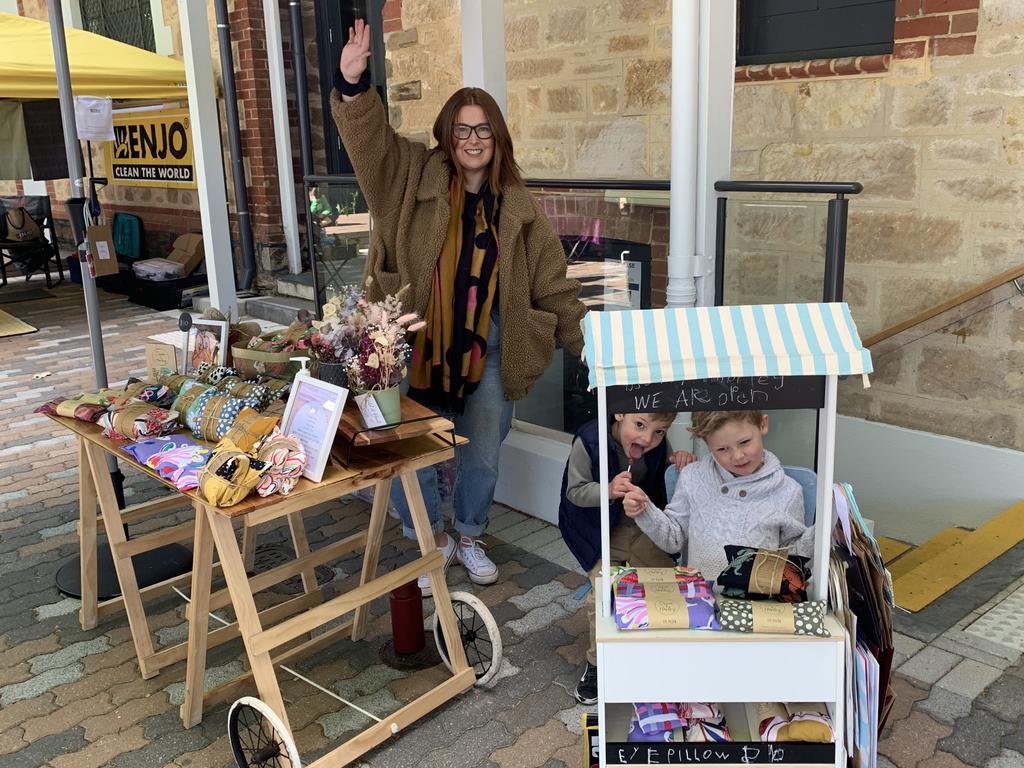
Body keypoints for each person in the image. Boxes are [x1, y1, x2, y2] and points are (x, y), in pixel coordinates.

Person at [332, 20, 586, 593]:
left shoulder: (518, 206)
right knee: (405, 447)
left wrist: (591, 346)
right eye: (463, 129)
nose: (473, 140)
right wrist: (353, 85)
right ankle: (431, 540)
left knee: (483, 455)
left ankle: (469, 534)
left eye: (485, 131)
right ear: (447, 134)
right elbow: (370, 143)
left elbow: (553, 284)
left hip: (489, 348)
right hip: (409, 343)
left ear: (498, 139)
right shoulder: (411, 176)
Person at [558, 412, 696, 705]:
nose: (647, 439)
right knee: (602, 598)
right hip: (600, 532)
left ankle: (659, 656)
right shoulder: (590, 440)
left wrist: (675, 459)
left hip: (645, 528)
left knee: (665, 588)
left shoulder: (656, 444)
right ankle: (598, 664)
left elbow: (660, 468)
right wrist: (607, 490)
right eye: (640, 426)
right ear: (619, 414)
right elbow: (574, 491)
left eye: (659, 432)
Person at [623, 409, 813, 591]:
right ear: (708, 445)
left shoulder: (788, 491)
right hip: (700, 602)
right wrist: (644, 510)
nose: (737, 456)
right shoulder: (693, 477)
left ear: (762, 424)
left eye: (745, 442)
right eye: (722, 449)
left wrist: (822, 533)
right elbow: (674, 538)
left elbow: (793, 559)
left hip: (758, 607)